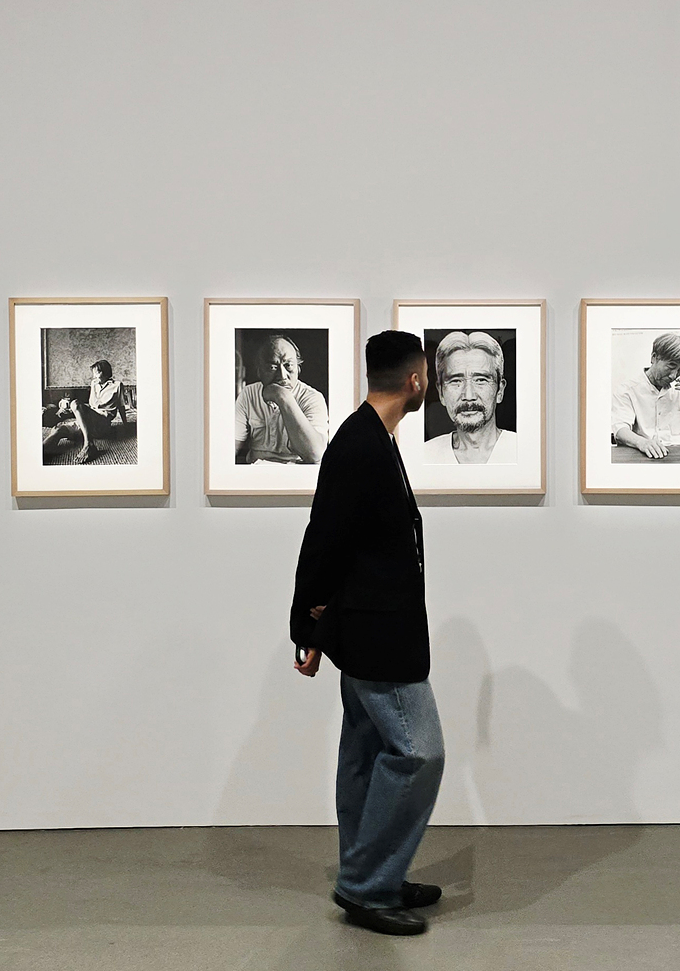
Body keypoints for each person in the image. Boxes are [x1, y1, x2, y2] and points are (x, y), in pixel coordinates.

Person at [290, 330, 444, 937]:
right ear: (415, 380)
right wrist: (306, 627)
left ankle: (374, 872)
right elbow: (322, 539)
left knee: (366, 753)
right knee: (417, 752)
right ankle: (366, 884)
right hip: (377, 634)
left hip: (372, 626)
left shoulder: (372, 437)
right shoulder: (359, 445)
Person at [423, 331, 517, 464]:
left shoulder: (524, 451)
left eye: (481, 380)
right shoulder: (426, 455)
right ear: (441, 393)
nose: (468, 396)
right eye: (456, 381)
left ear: (500, 391)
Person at [235, 335, 329, 464]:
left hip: (296, 473)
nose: (282, 375)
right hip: (257, 471)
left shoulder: (312, 398)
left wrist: (282, 397)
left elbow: (316, 455)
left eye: (288, 365)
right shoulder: (248, 393)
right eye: (272, 367)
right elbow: (230, 447)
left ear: (298, 368)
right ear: (259, 372)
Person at [611, 332, 680, 459]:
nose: (673, 375)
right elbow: (620, 430)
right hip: (643, 456)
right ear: (654, 358)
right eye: (671, 366)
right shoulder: (627, 390)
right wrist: (643, 443)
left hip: (677, 456)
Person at [43, 359, 127, 464]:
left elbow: (121, 406)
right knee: (58, 430)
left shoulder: (117, 385)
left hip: (102, 423)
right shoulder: (94, 383)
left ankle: (89, 444)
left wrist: (126, 425)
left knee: (76, 403)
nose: (94, 376)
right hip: (88, 422)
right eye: (94, 373)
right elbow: (92, 406)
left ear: (106, 372)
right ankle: (39, 455)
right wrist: (71, 410)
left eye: (97, 372)